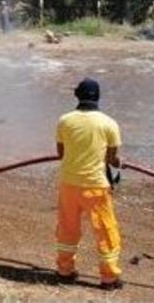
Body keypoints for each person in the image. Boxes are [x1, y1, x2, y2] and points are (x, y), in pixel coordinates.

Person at [54, 78, 123, 290]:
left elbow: (61, 154)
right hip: (95, 187)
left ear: (77, 96)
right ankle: (109, 278)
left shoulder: (64, 121)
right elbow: (112, 159)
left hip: (69, 184)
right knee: (105, 230)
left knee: (67, 228)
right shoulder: (109, 123)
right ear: (98, 97)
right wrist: (119, 162)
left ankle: (64, 271)